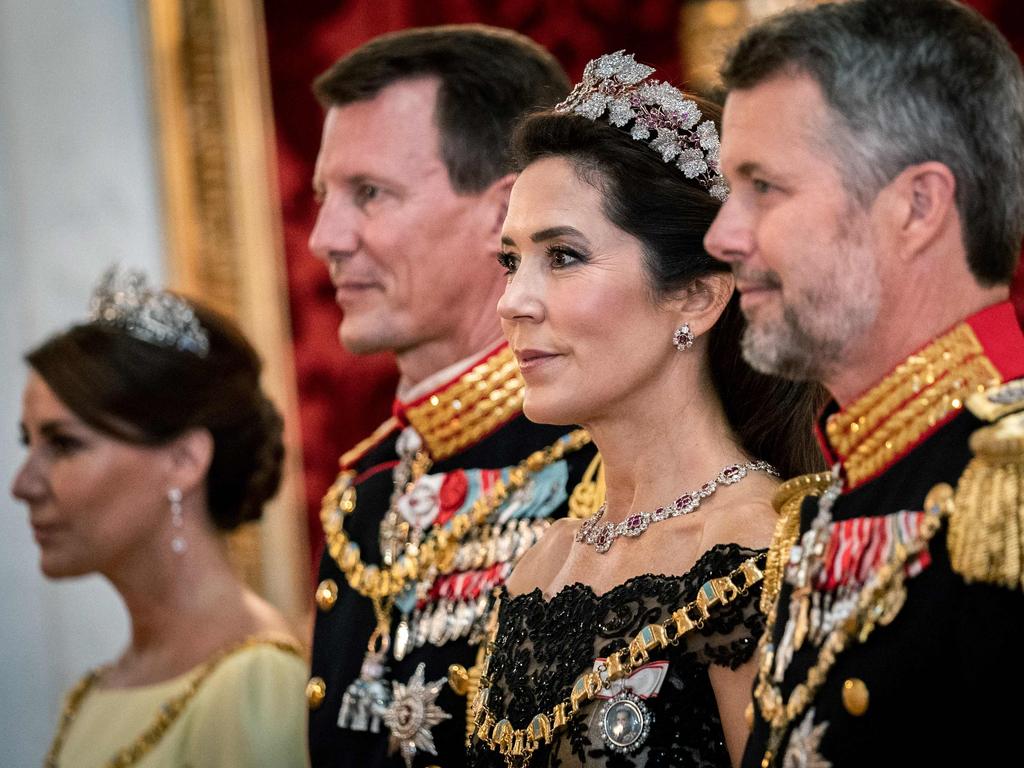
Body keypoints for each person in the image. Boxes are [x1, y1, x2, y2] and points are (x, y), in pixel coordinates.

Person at [466, 52, 825, 768]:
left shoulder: (762, 559)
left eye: (562, 256)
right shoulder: (540, 564)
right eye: (511, 261)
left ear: (697, 295)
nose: (513, 302)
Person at [702, 1, 1024, 766]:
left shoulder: (1006, 494)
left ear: (917, 206)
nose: (722, 236)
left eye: (764, 188)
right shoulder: (830, 499)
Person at [305, 25, 598, 768]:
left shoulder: (602, 460)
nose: (323, 237)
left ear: (505, 217)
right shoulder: (366, 487)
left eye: (368, 193)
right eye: (322, 196)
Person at [12, 267, 308, 768]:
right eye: (29, 442)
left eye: (63, 444)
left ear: (184, 461)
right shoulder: (94, 692)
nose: (23, 484)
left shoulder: (255, 687)